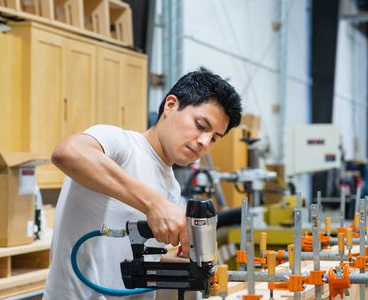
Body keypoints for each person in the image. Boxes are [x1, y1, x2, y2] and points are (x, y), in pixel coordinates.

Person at [43, 70, 242, 299]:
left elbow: (138, 257)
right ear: (170, 105)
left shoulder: (171, 186)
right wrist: (154, 205)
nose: (204, 142)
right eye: (200, 125)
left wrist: (192, 264)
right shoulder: (121, 144)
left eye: (214, 138)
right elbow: (67, 152)